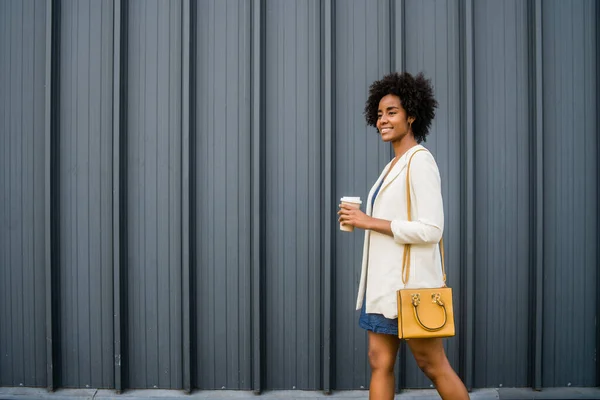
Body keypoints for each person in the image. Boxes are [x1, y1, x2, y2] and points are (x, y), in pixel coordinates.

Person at [338, 72, 469, 400]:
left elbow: (432, 229)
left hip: (410, 290)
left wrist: (369, 221)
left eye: (392, 112)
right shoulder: (393, 165)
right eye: (380, 113)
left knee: (432, 364)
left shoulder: (420, 162)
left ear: (412, 115)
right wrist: (365, 221)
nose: (383, 120)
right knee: (378, 362)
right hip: (383, 289)